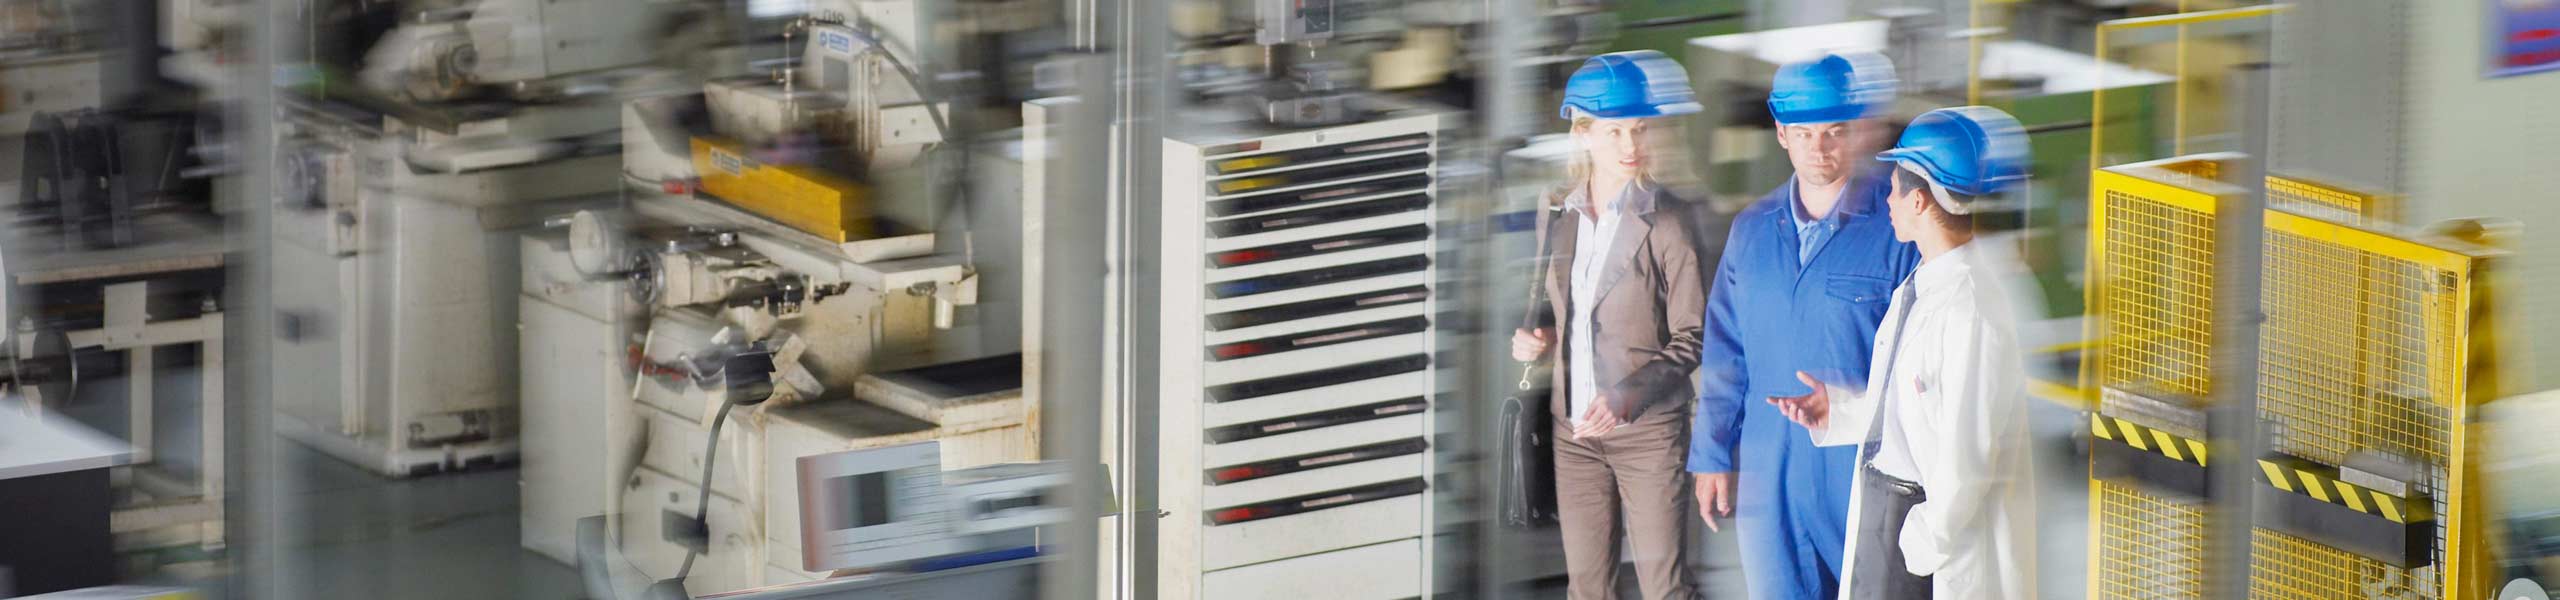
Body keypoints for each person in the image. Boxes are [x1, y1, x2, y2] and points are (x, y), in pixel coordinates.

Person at [1768, 106, 2038, 600]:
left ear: (1918, 200)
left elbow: (1968, 454)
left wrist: (1919, 543)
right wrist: (1844, 412)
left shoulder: (1970, 307)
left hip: (1928, 537)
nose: (1886, 200)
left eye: (1893, 189)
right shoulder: (1923, 284)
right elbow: (1916, 406)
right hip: (1891, 512)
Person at [1684, 51, 1918, 600]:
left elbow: (1920, 361)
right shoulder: (1752, 232)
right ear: (1782, 134)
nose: (1820, 148)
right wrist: (1713, 455)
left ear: (1856, 132)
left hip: (1861, 467)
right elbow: (1726, 354)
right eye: (1805, 132)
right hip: (1770, 467)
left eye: (1834, 131)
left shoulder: (1895, 232)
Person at [1512, 49, 1710, 600]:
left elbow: (1693, 335)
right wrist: (1541, 339)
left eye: (1640, 130)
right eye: (1615, 131)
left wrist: (1627, 396)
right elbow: (1566, 309)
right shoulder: (1555, 209)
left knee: (1664, 588)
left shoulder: (1670, 219)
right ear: (1583, 134)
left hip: (1646, 434)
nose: (1631, 146)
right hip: (1572, 430)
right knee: (1587, 590)